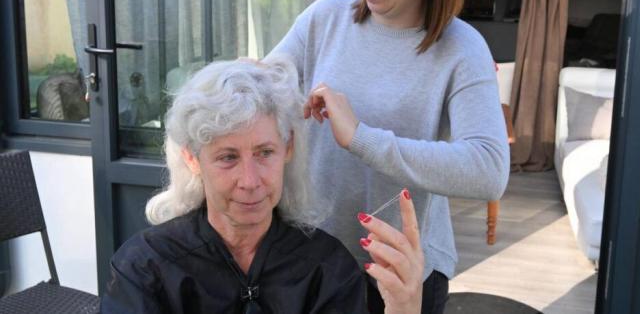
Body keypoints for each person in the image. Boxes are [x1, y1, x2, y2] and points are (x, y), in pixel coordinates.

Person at [269, 0, 510, 313]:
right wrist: (252, 82)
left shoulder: (460, 48)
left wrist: (361, 137)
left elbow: (488, 169)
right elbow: (268, 86)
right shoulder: (326, 17)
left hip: (398, 275)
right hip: (308, 257)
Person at [100, 57, 424, 314]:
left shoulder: (327, 268)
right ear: (192, 159)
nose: (251, 181)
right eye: (228, 157)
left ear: (288, 147)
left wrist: (402, 311)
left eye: (264, 152)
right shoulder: (145, 267)